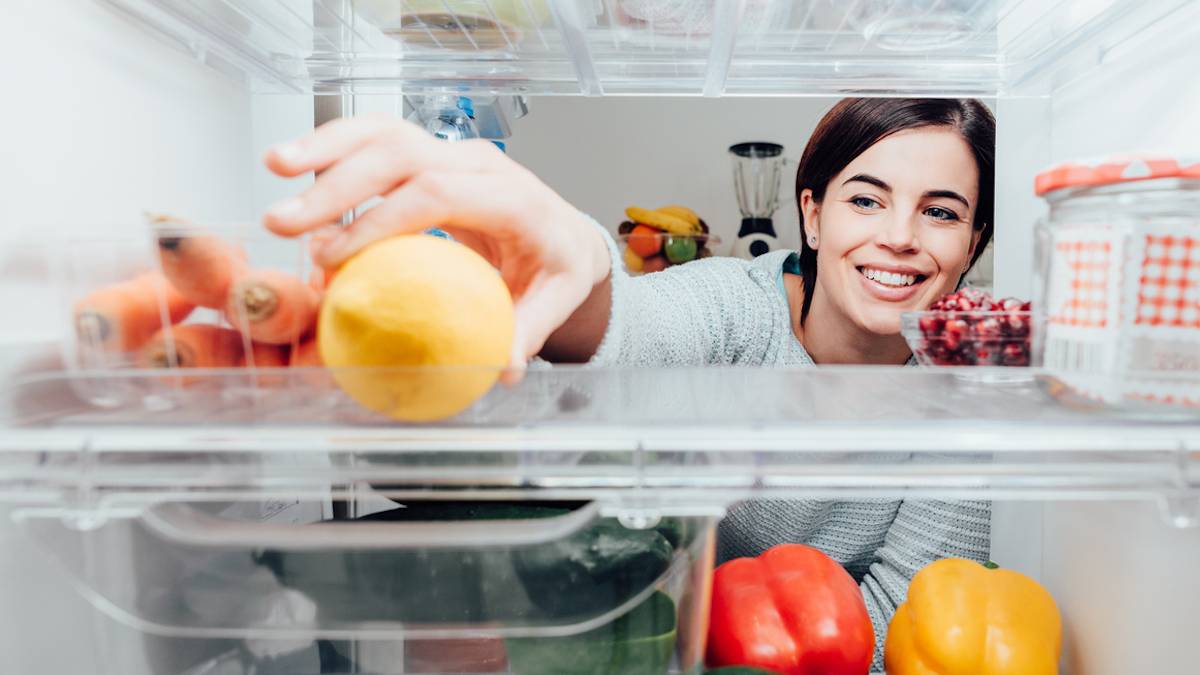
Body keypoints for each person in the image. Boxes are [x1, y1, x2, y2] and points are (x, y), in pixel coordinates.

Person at [262, 97, 995, 669]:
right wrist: (576, 257)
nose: (900, 234)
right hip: (649, 638)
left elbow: (911, 623)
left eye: (940, 211)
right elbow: (633, 330)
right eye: (866, 199)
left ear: (972, 246)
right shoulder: (735, 304)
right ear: (811, 213)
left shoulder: (966, 393)